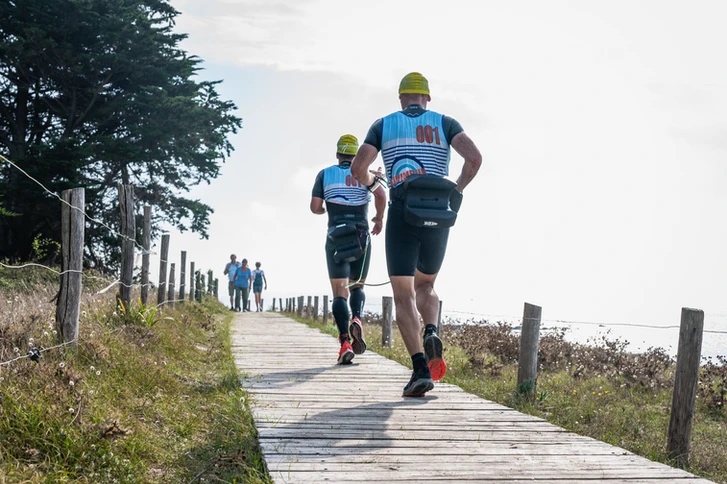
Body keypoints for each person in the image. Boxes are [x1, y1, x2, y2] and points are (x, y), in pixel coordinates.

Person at [351, 72, 482, 397]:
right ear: (427, 98)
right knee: (427, 285)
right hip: (439, 212)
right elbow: (475, 159)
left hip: (402, 210)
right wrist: (456, 191)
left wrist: (373, 183)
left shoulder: (384, 125)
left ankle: (421, 368)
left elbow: (358, 168)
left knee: (403, 295)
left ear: (401, 98)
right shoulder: (446, 122)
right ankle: (433, 328)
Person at [311, 134, 387, 365]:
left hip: (335, 236)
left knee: (339, 291)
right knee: (357, 286)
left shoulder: (324, 175)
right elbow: (381, 195)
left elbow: (315, 207)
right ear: (356, 155)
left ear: (337, 154)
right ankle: (357, 318)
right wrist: (378, 218)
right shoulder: (365, 174)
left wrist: (327, 211)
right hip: (361, 235)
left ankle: (344, 341)